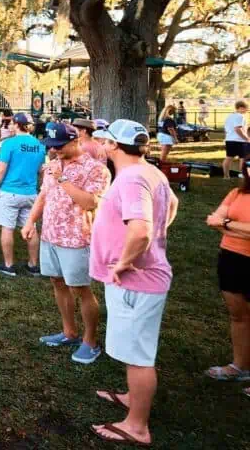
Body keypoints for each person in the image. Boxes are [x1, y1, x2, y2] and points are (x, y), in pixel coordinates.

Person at [88, 120, 178, 446]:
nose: (99, 144)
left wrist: (125, 263)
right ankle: (131, 398)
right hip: (143, 278)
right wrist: (155, 239)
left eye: (103, 140)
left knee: (139, 356)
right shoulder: (151, 171)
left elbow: (140, 230)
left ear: (113, 146)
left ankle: (136, 426)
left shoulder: (132, 177)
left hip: (136, 282)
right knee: (134, 350)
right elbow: (171, 207)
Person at [21, 122, 109, 365]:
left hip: (77, 238)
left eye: (59, 146)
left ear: (75, 141)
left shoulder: (96, 169)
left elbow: (91, 202)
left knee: (81, 289)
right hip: (50, 235)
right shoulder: (51, 165)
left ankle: (90, 342)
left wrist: (63, 181)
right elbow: (43, 196)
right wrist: (30, 222)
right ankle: (69, 332)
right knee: (57, 283)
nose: (55, 150)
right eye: (51, 146)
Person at [204, 160, 250, 396]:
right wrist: (230, 225)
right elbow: (213, 220)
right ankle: (240, 366)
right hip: (231, 259)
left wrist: (227, 224)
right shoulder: (236, 192)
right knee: (238, 315)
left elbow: (221, 221)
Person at [0, 113, 45, 277]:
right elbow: (41, 170)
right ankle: (33, 265)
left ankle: (9, 265)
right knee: (31, 229)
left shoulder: (9, 144)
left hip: (9, 191)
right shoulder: (39, 145)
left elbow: (0, 169)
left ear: (16, 124)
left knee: (7, 228)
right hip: (30, 193)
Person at [224, 100, 249, 179]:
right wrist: (247, 138)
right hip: (239, 140)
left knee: (229, 157)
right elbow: (238, 129)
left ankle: (226, 176)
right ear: (241, 108)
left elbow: (226, 129)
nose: (247, 110)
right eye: (246, 108)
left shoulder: (229, 116)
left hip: (229, 140)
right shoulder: (240, 116)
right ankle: (243, 174)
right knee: (243, 158)